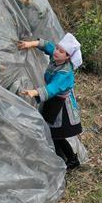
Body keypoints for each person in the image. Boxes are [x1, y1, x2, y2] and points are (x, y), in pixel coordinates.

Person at [17, 33, 83, 170]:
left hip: (62, 106)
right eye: (57, 48)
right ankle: (64, 157)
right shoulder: (57, 57)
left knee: (57, 133)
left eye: (61, 51)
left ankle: (72, 159)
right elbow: (47, 46)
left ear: (68, 57)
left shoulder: (65, 73)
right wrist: (30, 44)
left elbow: (53, 88)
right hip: (53, 102)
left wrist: (33, 92)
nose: (56, 52)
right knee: (53, 133)